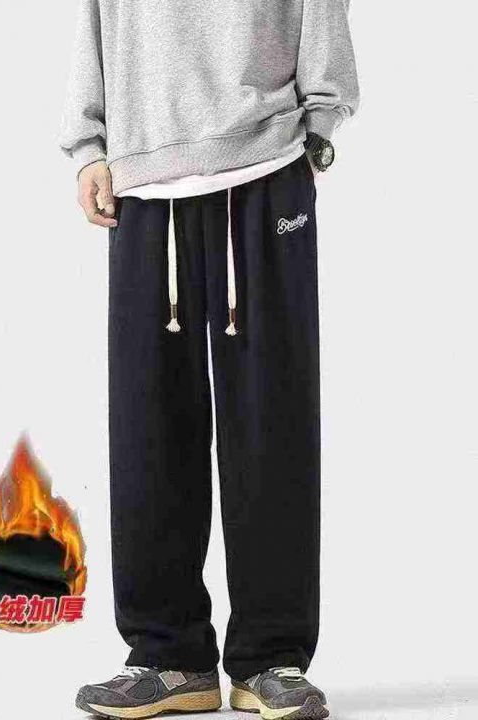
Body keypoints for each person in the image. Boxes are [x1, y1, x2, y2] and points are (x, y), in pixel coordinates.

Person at [60, 1, 359, 718]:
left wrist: (319, 127)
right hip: (144, 180)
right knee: (149, 425)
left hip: (266, 163)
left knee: (271, 420)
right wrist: (89, 146)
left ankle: (271, 657)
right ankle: (169, 656)